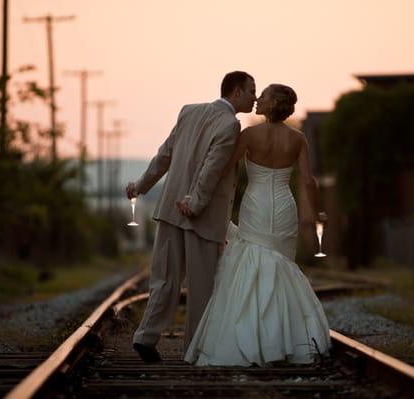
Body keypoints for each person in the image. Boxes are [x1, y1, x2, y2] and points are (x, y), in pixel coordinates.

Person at [184, 84, 331, 366]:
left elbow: (224, 168)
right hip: (285, 206)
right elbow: (308, 181)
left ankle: (252, 337)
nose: (258, 100)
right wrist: (315, 212)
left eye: (262, 96)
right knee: (281, 267)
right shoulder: (298, 139)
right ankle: (285, 338)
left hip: (255, 205)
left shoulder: (250, 135)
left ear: (274, 104)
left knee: (252, 264)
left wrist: (198, 196)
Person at [125, 71, 256, 362]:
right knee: (201, 288)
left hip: (170, 210)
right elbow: (213, 167)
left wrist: (140, 186)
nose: (255, 97)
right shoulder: (229, 124)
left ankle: (145, 337)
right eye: (251, 91)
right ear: (235, 92)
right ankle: (193, 349)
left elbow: (164, 155)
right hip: (202, 217)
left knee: (164, 279)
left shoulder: (189, 111)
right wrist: (194, 203)